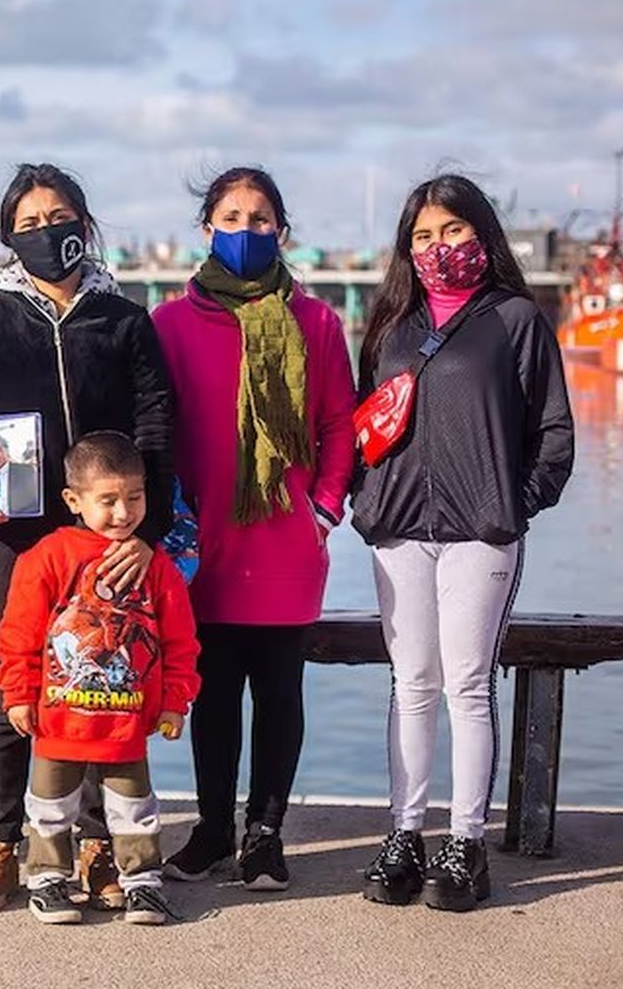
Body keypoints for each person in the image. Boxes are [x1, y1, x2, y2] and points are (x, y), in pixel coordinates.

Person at [0, 163, 175, 911]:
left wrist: (146, 530)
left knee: (106, 683)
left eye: (58, 217)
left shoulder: (123, 318)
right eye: (28, 223)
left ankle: (96, 845)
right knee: (15, 686)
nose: (45, 232)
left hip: (106, 540)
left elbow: (158, 425)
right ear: (8, 236)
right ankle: (4, 845)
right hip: (9, 539)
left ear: (85, 225)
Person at [353, 174, 572, 911]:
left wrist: (517, 500)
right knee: (411, 684)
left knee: (466, 687)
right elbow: (361, 422)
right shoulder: (391, 322)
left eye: (451, 231)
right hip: (398, 529)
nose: (436, 247)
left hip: (481, 531)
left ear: (481, 233)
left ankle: (467, 843)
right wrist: (365, 494)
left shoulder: (515, 318)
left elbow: (553, 431)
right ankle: (405, 835)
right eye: (422, 236)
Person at [151, 167, 356, 892]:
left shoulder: (319, 324)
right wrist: (166, 520)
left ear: (282, 231)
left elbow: (337, 424)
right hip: (202, 541)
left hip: (286, 540)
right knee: (211, 693)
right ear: (205, 228)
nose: (246, 230)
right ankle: (211, 829)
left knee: (278, 691)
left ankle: (264, 834)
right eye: (231, 217)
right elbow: (157, 429)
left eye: (260, 218)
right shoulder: (168, 325)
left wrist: (324, 509)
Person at [0, 432, 201, 926]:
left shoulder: (157, 569)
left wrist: (175, 700)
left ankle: (142, 883)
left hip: (127, 723)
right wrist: (18, 695)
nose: (122, 513)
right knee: (48, 804)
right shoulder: (45, 558)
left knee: (135, 807)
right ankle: (47, 879)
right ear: (73, 500)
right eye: (107, 501)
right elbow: (18, 634)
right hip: (57, 719)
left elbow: (180, 642)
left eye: (134, 498)